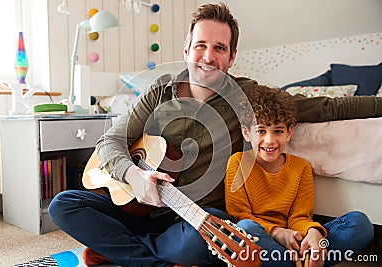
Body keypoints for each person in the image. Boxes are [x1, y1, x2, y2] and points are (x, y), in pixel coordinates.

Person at [49, 3, 380, 267]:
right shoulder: (158, 94)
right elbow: (111, 141)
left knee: (212, 239)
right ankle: (154, 260)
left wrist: (377, 104)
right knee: (64, 204)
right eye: (201, 46)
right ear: (187, 50)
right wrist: (133, 175)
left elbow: (323, 107)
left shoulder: (247, 97)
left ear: (231, 57)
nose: (208, 56)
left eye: (219, 48)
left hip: (197, 220)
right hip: (139, 207)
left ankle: (123, 251)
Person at [224, 85, 374, 267]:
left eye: (278, 131)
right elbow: (240, 216)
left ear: (289, 133)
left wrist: (312, 232)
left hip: (296, 241)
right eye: (261, 131)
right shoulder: (238, 163)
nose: (270, 140)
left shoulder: (301, 167)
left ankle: (301, 261)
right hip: (263, 240)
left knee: (360, 223)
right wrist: (277, 232)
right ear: (246, 133)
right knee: (246, 229)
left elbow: (299, 217)